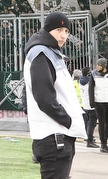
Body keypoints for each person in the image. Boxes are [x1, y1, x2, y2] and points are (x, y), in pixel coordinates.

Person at [24, 12, 85, 179]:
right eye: (59, 30)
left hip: (58, 135)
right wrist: (68, 121)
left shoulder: (49, 52)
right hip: (55, 137)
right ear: (48, 30)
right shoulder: (41, 54)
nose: (63, 35)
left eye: (66, 31)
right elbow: (44, 98)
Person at [88, 57, 108, 153]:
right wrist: (92, 102)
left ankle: (105, 143)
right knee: (102, 122)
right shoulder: (93, 74)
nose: (97, 67)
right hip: (99, 101)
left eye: (99, 65)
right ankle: (103, 144)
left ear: (104, 66)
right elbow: (90, 89)